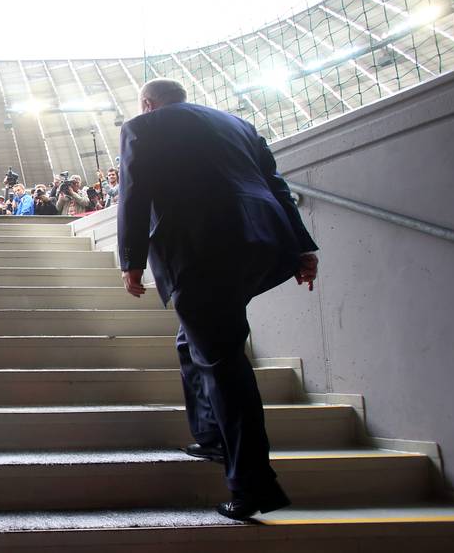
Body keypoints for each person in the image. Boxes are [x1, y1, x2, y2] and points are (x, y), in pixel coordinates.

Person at [117, 77, 319, 521]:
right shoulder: (237, 124)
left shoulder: (142, 127)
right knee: (197, 338)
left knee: (222, 360)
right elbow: (276, 184)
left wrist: (131, 260)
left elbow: (134, 193)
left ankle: (252, 485)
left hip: (201, 248)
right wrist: (303, 246)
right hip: (263, 242)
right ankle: (210, 435)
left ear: (148, 104)